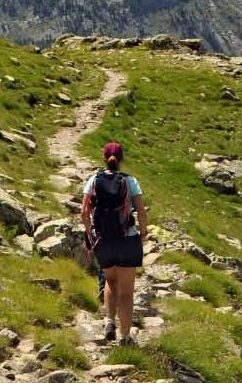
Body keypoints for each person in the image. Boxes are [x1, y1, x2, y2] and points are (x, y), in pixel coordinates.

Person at [81, 141, 146, 344]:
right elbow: (141, 212)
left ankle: (109, 322)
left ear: (104, 158)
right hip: (127, 239)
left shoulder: (94, 179)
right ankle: (125, 337)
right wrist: (143, 232)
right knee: (126, 291)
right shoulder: (130, 181)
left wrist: (91, 234)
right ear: (122, 159)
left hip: (104, 239)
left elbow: (84, 212)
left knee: (110, 281)